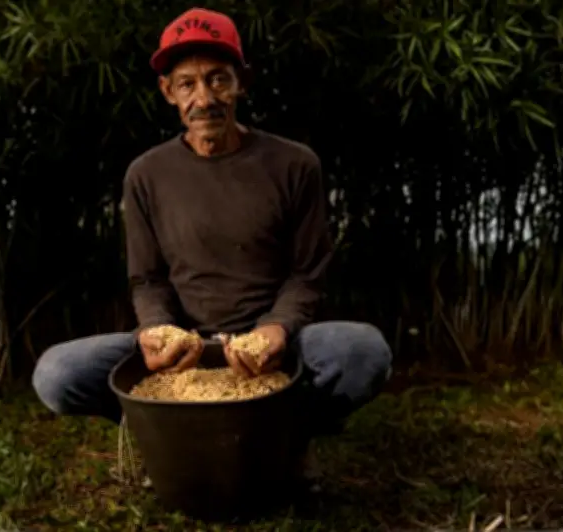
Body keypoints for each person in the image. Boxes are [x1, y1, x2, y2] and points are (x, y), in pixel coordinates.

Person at [32, 6, 393, 485]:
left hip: (270, 347)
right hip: (189, 349)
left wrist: (276, 331)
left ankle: (285, 439)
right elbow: (147, 279)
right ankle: (169, 433)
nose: (204, 98)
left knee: (364, 351)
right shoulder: (146, 175)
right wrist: (157, 331)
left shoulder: (294, 164)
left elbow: (308, 274)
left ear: (242, 81)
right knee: (56, 373)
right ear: (168, 93)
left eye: (218, 80)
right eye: (187, 84)